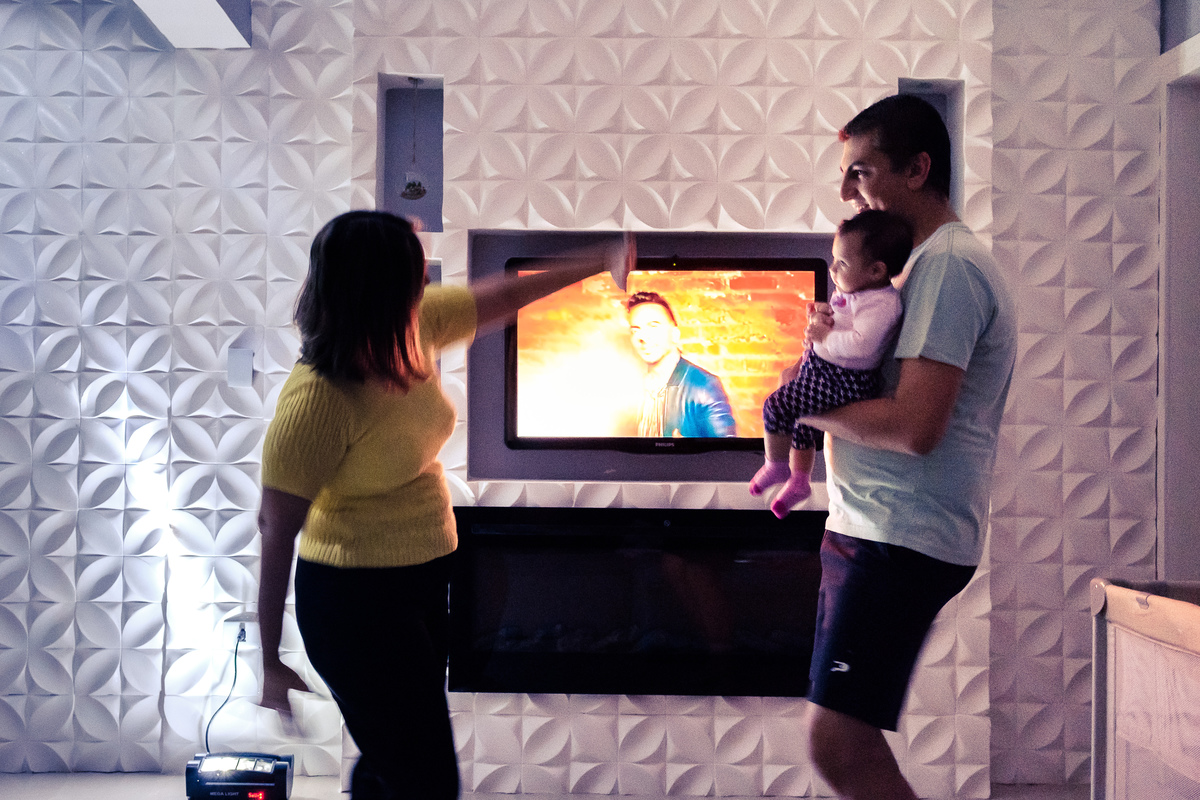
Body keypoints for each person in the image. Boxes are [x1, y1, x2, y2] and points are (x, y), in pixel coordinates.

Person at [255, 210, 632, 800]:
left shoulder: (412, 328)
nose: (427, 282)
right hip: (356, 606)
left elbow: (503, 293)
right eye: (415, 270)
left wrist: (600, 258)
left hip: (424, 583)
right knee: (426, 779)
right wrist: (269, 658)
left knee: (391, 762)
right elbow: (275, 531)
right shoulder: (319, 399)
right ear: (382, 289)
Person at [797, 95, 1016, 800]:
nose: (846, 192)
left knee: (838, 745)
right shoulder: (918, 267)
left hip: (899, 538)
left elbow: (916, 427)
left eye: (860, 172)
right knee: (840, 739)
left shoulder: (950, 269)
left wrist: (808, 405)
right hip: (876, 529)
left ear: (918, 169)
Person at [749, 209, 911, 519]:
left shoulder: (882, 304)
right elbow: (844, 319)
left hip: (844, 380)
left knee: (777, 406)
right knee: (801, 426)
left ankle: (776, 465)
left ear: (877, 271)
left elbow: (862, 344)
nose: (833, 270)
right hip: (825, 370)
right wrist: (823, 315)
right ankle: (800, 480)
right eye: (834, 260)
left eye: (843, 264)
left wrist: (823, 336)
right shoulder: (858, 288)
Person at [625, 290, 737, 438]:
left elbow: (727, 456)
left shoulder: (703, 386)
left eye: (653, 326)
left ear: (675, 334)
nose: (643, 337)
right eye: (635, 330)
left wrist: (690, 454)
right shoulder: (628, 386)